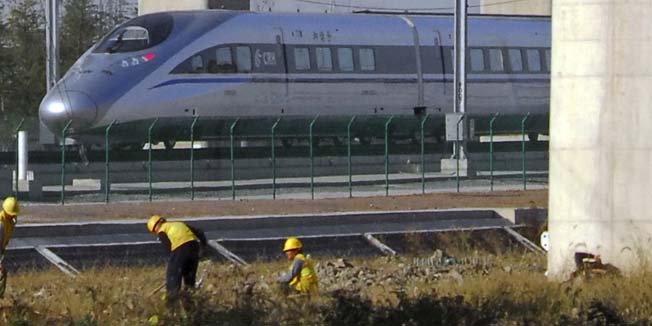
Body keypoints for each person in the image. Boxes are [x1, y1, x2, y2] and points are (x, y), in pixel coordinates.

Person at [146, 215, 207, 305]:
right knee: (189, 278)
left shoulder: (162, 231)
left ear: (154, 229)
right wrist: (203, 247)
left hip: (180, 248)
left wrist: (174, 263)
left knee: (173, 276)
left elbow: (168, 247)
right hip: (194, 247)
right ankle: (190, 303)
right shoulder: (179, 224)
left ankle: (172, 305)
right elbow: (200, 232)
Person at [0, 197, 19, 298]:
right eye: (12, 214)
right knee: (1, 274)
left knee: (3, 274)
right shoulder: (1, 223)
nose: (14, 216)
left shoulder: (10, 222)